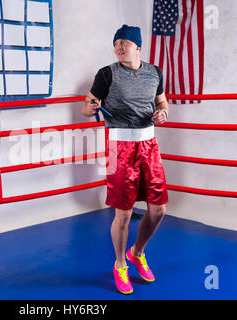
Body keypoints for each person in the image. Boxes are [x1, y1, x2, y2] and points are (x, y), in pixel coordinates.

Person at [81, 24, 169, 294]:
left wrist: (163, 112)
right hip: (120, 146)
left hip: (149, 145)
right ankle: (120, 265)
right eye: (116, 42)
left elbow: (162, 102)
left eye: (125, 42)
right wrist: (91, 107)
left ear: (138, 47)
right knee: (124, 212)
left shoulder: (155, 72)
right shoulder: (106, 74)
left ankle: (137, 252)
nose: (119, 46)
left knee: (158, 210)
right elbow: (86, 107)